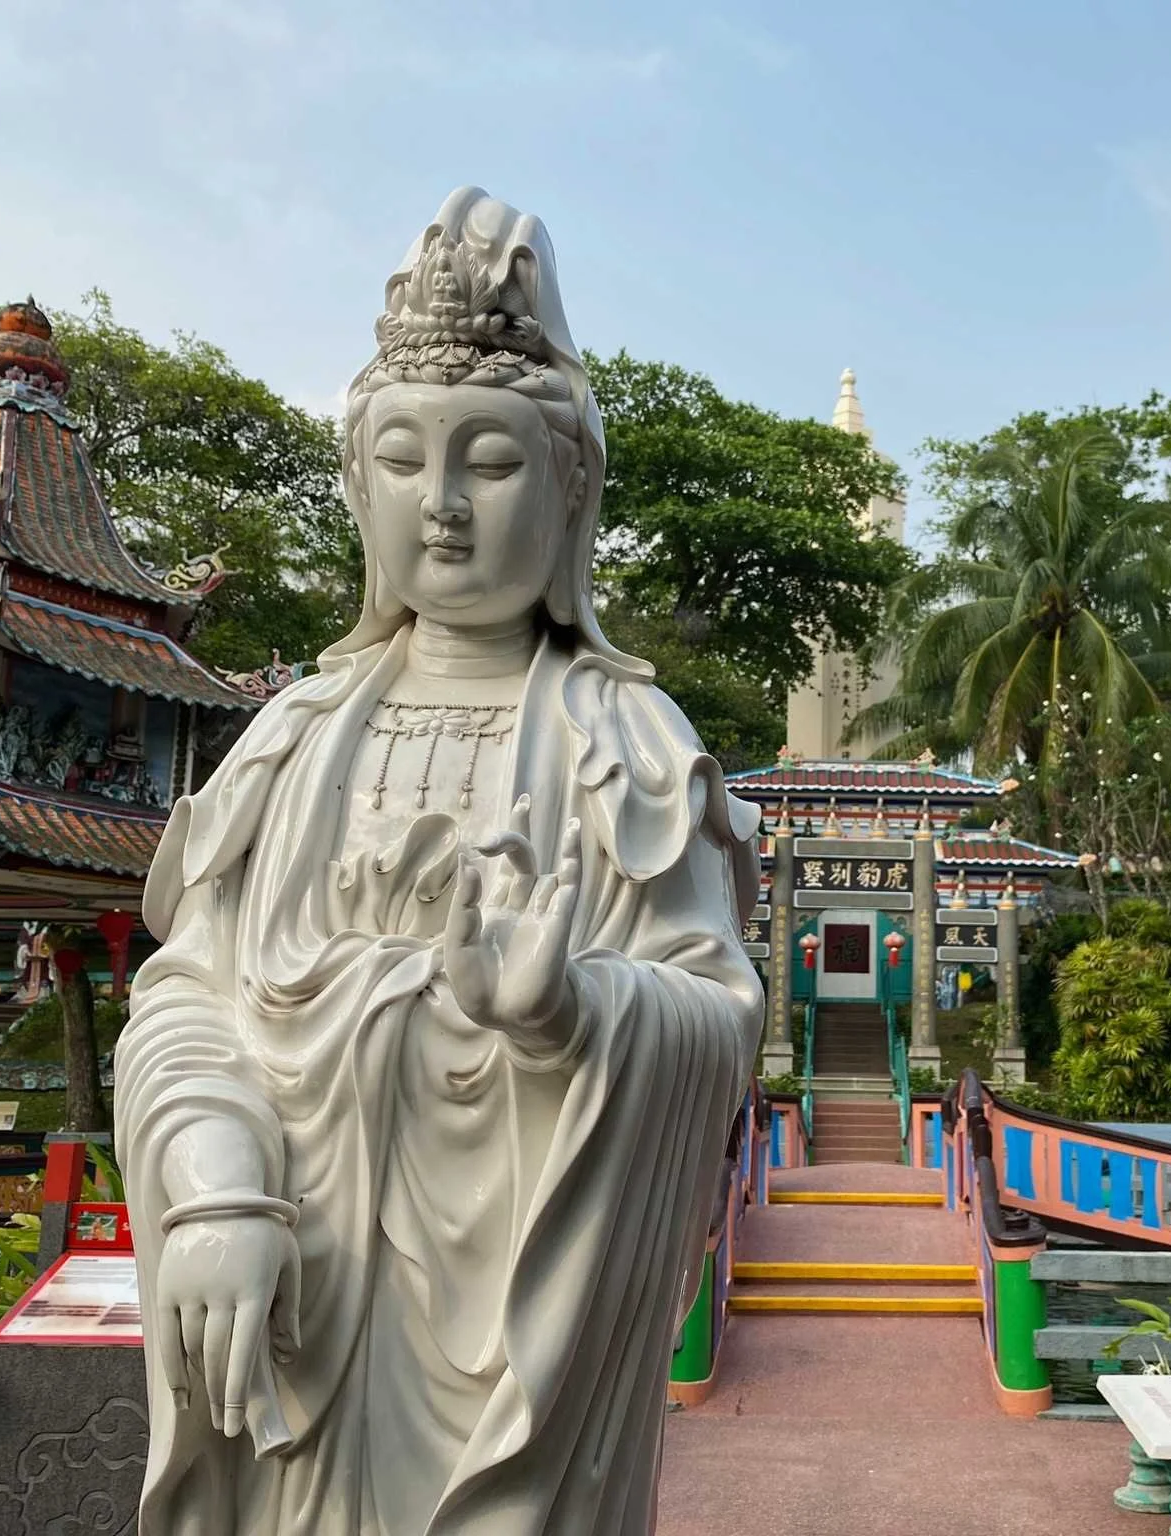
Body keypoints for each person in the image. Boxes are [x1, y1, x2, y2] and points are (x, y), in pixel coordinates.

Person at [115, 190, 763, 1535]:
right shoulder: (291, 737)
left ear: (571, 487)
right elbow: (188, 996)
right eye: (404, 459)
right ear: (359, 486)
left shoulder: (632, 746)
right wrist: (218, 1181)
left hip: (520, 1331)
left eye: (493, 459)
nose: (446, 506)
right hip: (293, 1283)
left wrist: (574, 1016)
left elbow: (718, 1015)